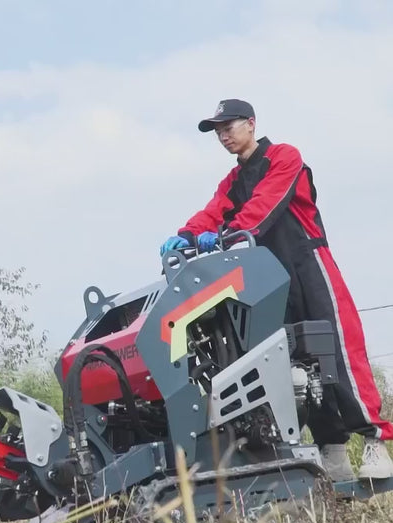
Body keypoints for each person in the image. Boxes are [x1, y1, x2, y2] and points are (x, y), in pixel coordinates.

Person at [160, 99, 393, 480]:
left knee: (337, 349)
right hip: (270, 279)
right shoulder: (231, 182)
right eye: (217, 131)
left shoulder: (284, 157)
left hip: (309, 264)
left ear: (251, 124)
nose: (223, 135)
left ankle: (373, 441)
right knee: (295, 364)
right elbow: (213, 211)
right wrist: (183, 236)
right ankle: (331, 449)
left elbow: (262, 209)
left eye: (229, 126)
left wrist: (216, 237)